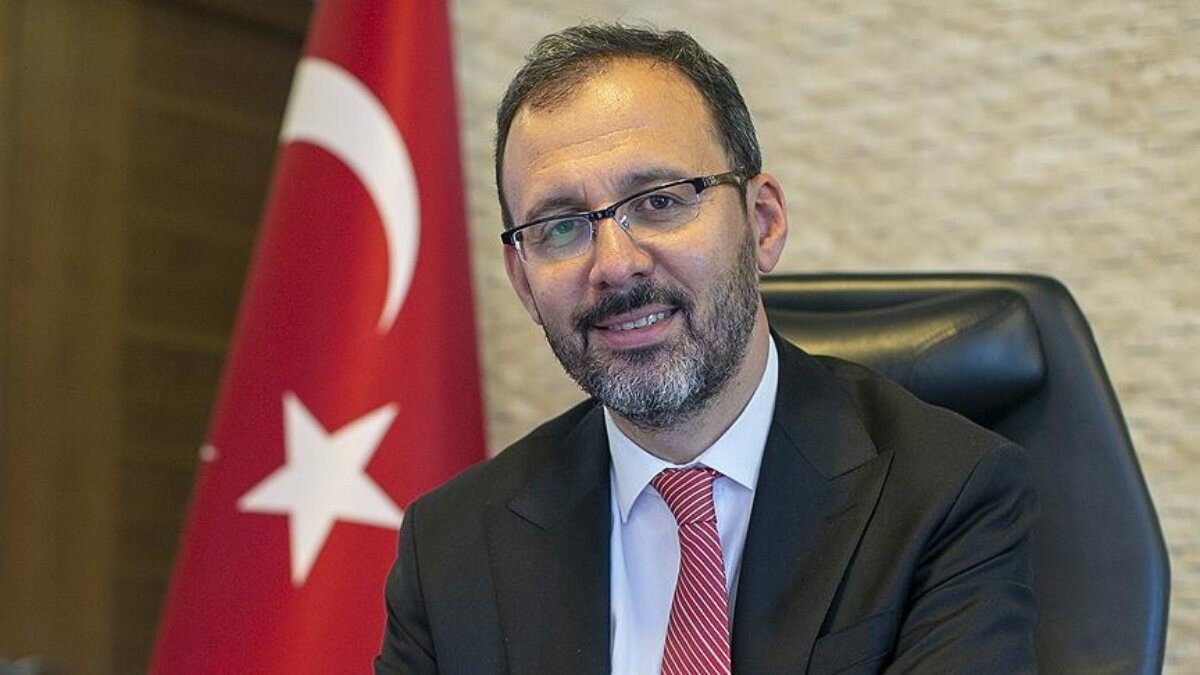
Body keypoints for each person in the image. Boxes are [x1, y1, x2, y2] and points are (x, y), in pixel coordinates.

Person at [376, 23, 1037, 675]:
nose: (616, 264)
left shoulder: (948, 494)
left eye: (660, 201)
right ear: (523, 280)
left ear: (763, 223)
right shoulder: (451, 552)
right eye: (561, 227)